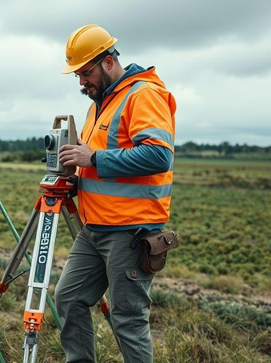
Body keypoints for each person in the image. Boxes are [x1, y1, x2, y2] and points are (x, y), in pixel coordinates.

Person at [56, 24, 177, 363]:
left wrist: (91, 157)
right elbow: (100, 164)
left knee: (127, 319)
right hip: (94, 228)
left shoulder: (142, 94)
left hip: (130, 230)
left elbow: (158, 155)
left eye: (85, 73)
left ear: (108, 62)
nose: (82, 82)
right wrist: (76, 175)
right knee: (69, 298)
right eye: (77, 76)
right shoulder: (99, 104)